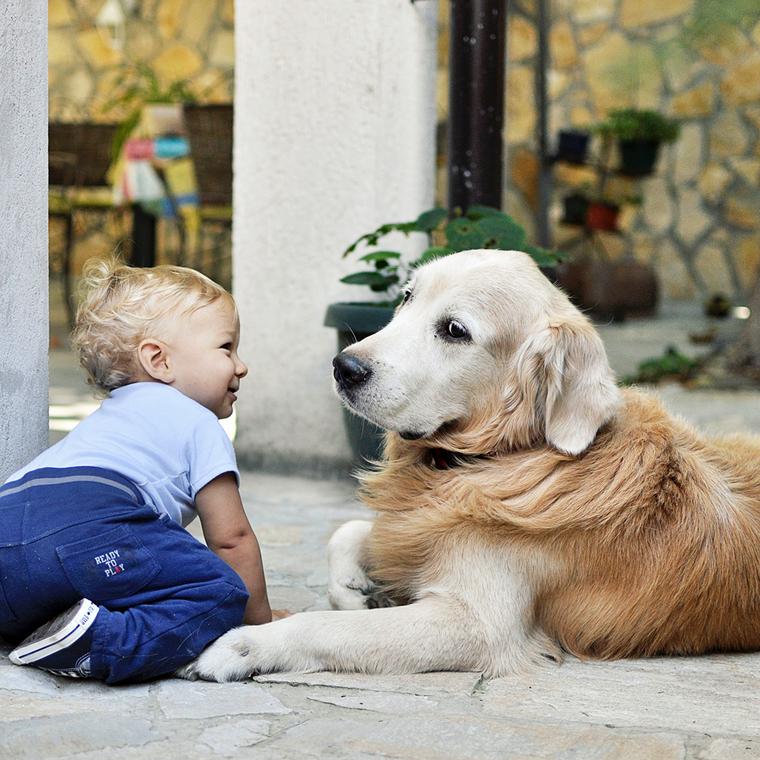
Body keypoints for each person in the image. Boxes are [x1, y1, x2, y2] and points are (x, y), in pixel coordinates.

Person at [0, 258, 281, 683]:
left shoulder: (105, 419)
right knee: (220, 592)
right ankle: (100, 643)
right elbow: (231, 538)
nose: (241, 366)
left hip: (9, 518)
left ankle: (48, 627)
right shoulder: (198, 421)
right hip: (92, 519)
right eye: (227, 348)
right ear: (159, 360)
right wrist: (260, 624)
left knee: (84, 575)